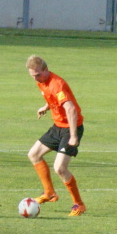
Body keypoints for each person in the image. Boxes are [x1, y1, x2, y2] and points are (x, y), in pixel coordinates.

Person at [26, 54, 86, 216]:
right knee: (34, 154)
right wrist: (46, 107)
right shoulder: (41, 81)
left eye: (38, 75)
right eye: (32, 75)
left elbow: (71, 109)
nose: (35, 78)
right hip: (57, 126)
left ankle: (79, 204)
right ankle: (49, 193)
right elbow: (51, 97)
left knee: (60, 168)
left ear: (46, 70)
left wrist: (73, 136)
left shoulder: (57, 84)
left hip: (71, 128)